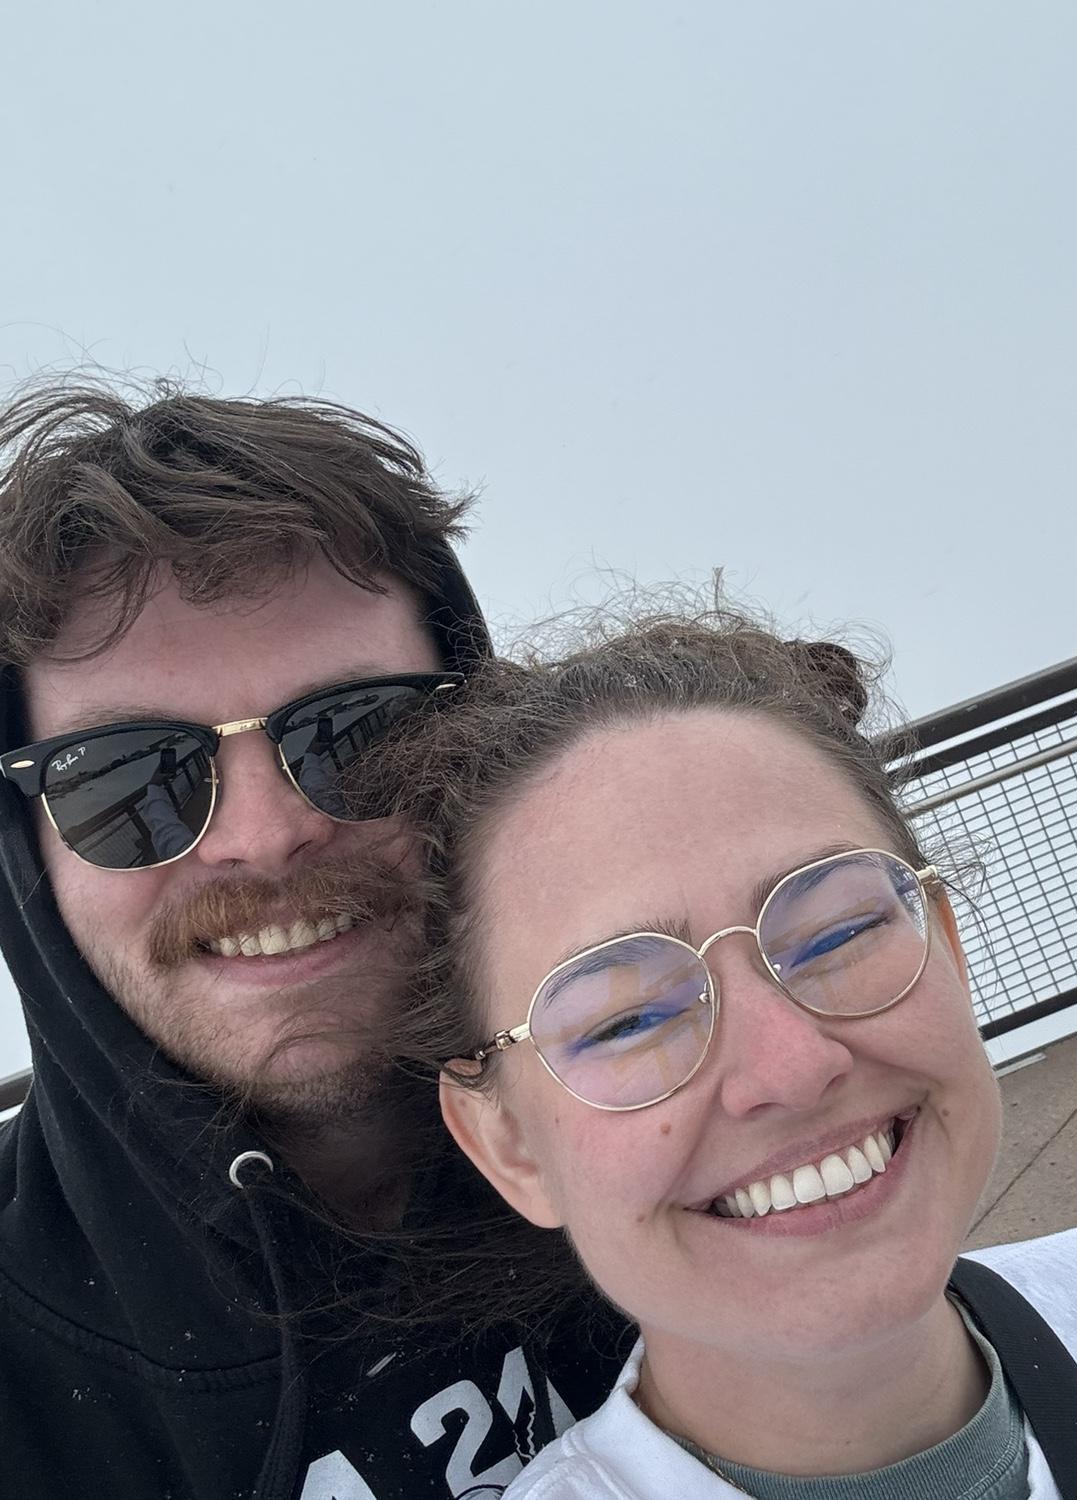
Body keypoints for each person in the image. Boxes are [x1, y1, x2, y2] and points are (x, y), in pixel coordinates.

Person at [375, 609, 1077, 1499]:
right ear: (507, 1142)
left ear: (945, 947)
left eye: (838, 932)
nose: (791, 1065)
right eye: (626, 1017)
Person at [0, 380, 626, 1500]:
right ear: (27, 853)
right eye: (130, 778)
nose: (267, 833)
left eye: (360, 731)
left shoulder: (688, 1119)